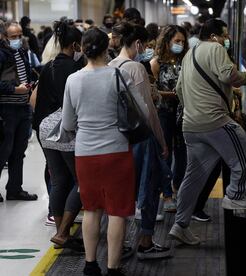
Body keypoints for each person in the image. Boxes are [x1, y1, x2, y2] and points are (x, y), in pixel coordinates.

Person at [62, 27, 148, 276]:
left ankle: (90, 265)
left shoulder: (73, 79)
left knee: (91, 208)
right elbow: (139, 112)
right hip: (117, 152)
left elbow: (68, 124)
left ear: (81, 48)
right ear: (106, 48)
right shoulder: (118, 76)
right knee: (117, 211)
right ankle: (113, 268)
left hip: (85, 153)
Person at [168, 19, 246, 245]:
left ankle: (180, 225)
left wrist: (193, 108)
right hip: (214, 120)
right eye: (225, 34)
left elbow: (179, 89)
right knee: (245, 149)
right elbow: (230, 76)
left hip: (190, 125)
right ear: (215, 35)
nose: (227, 39)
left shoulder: (189, 54)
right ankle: (235, 196)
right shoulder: (216, 48)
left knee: (193, 176)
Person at [109, 21, 172, 260]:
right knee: (149, 186)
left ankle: (120, 243)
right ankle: (145, 241)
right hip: (142, 139)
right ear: (137, 43)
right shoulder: (135, 68)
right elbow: (148, 111)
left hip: (119, 138)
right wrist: (161, 140)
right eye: (143, 44)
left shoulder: (110, 65)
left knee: (124, 189)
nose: (144, 48)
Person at [34, 20, 84, 251]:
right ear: (74, 45)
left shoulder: (48, 66)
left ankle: (59, 233)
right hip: (64, 130)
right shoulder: (74, 70)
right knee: (82, 181)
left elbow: (36, 101)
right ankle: (64, 231)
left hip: (44, 130)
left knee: (59, 180)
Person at [151, 25, 189, 213]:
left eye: (183, 41)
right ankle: (166, 194)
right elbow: (153, 92)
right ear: (167, 42)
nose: (180, 44)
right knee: (166, 153)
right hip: (164, 113)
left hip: (183, 113)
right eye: (177, 41)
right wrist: (171, 94)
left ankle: (177, 187)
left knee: (183, 152)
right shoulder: (156, 63)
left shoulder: (186, 61)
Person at [0, 22, 37, 203]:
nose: (18, 39)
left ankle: (15, 189)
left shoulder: (22, 51)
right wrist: (15, 90)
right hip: (6, 109)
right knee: (3, 151)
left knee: (18, 151)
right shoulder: (1, 54)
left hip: (23, 108)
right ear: (4, 37)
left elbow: (26, 74)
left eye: (19, 35)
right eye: (13, 36)